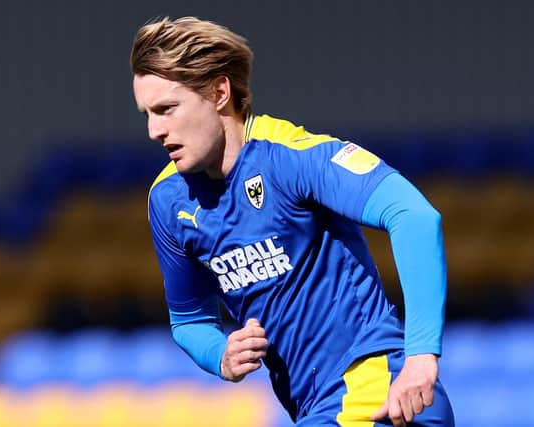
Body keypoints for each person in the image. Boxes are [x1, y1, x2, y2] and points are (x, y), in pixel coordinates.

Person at [131, 16, 455, 427]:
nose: (153, 130)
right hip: (318, 409)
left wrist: (421, 356)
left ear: (218, 92)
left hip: (376, 393)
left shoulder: (293, 157)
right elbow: (190, 320)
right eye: (146, 114)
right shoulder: (168, 201)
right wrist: (221, 355)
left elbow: (416, 217)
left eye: (166, 110)